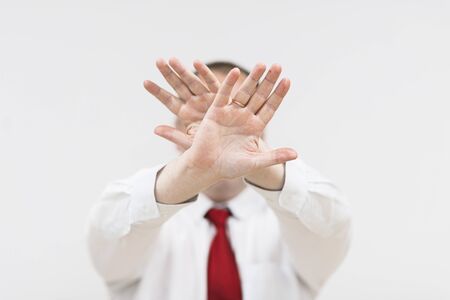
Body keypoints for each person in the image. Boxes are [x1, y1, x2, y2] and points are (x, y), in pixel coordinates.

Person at [87, 58, 352, 300]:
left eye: (236, 114)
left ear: (263, 129)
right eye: (205, 119)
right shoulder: (143, 222)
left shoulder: (293, 220)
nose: (219, 130)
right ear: (178, 128)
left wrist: (255, 163)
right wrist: (191, 170)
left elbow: (333, 223)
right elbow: (106, 231)